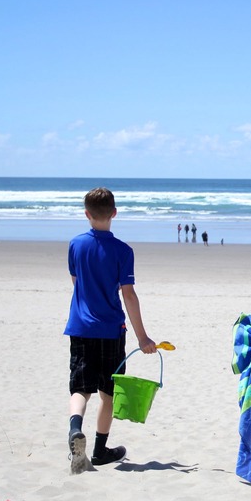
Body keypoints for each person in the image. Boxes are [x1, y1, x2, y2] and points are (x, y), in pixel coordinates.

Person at [64, 187, 158, 474]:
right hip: (110, 330)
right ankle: (99, 450)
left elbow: (75, 281)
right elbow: (128, 294)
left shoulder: (76, 245)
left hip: (80, 327)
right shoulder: (122, 250)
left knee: (81, 387)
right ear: (114, 213)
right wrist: (142, 336)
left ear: (87, 214)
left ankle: (74, 430)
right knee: (108, 392)